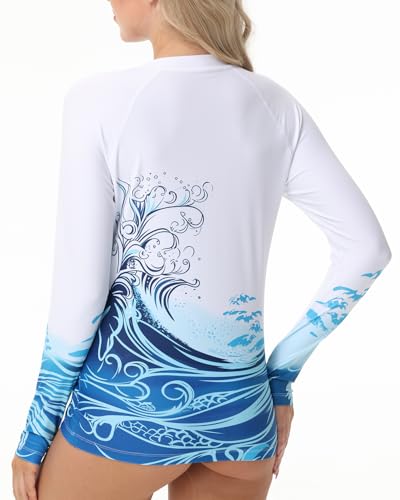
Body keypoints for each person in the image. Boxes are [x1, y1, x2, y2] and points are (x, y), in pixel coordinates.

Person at [11, 1, 392, 499]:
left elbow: (80, 294)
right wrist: (279, 377)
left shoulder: (97, 100)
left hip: (124, 414)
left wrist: (36, 431)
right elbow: (367, 250)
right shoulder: (275, 105)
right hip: (243, 419)